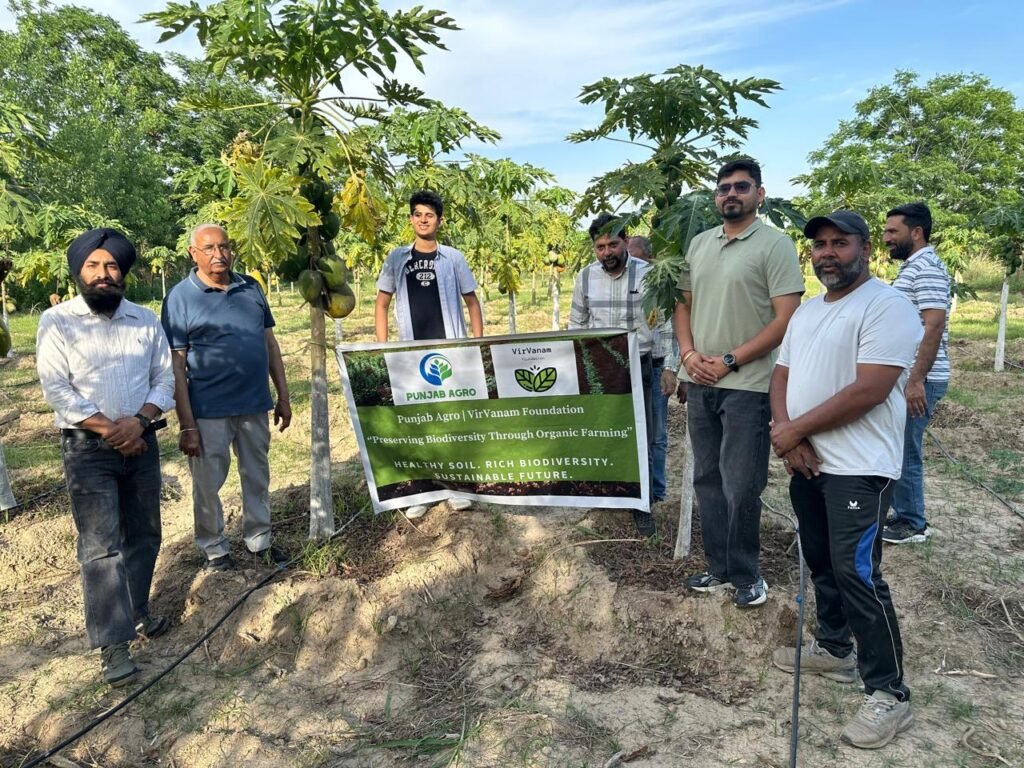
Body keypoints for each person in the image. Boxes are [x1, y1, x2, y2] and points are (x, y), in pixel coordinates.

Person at [769, 210, 922, 749]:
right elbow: (782, 375)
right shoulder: (809, 312)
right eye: (820, 245)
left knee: (858, 573)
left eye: (840, 242)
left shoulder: (888, 307)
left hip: (859, 467)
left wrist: (794, 433)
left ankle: (890, 694)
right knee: (820, 562)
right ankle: (835, 650)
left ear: (864, 249)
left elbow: (870, 389)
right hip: (808, 461)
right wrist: (787, 433)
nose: (827, 253)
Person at [36, 228, 175, 687]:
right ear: (78, 272)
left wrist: (139, 422)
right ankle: (114, 646)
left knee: (146, 533)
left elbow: (165, 379)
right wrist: (113, 430)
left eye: (112, 266)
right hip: (88, 450)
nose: (104, 274)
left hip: (142, 442)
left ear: (123, 273)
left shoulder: (145, 319)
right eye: (94, 266)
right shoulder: (57, 321)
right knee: (100, 547)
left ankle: (136, 612)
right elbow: (58, 390)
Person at [673, 158, 804, 607]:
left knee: (741, 481)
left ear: (759, 194)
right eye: (724, 188)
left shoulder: (775, 245)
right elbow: (683, 306)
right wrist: (689, 355)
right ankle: (718, 567)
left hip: (748, 383)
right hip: (700, 378)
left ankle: (748, 574)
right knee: (707, 478)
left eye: (741, 187)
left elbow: (785, 319)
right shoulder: (699, 243)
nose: (731, 194)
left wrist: (730, 360)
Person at [161, 224, 291, 572]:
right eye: (208, 249)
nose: (218, 255)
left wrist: (283, 396)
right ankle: (215, 547)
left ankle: (259, 539)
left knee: (257, 476)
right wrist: (186, 424)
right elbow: (177, 365)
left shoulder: (251, 288)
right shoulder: (180, 298)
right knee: (208, 484)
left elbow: (270, 345)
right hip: (208, 411)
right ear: (193, 253)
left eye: (224, 247)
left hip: (254, 404)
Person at [375, 189, 483, 519]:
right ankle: (421, 491)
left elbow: (472, 302)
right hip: (411, 353)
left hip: (451, 350)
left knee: (452, 419)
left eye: (430, 215)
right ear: (411, 219)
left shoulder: (453, 258)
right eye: (418, 214)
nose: (423, 220)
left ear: (439, 221)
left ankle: (457, 487)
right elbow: (381, 303)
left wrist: (477, 345)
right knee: (417, 421)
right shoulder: (396, 259)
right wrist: (383, 348)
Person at [570, 214, 658, 535]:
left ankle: (642, 505)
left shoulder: (648, 275)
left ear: (626, 241)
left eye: (613, 244)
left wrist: (670, 367)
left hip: (640, 366)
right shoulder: (585, 278)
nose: (607, 252)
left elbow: (664, 322)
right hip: (602, 369)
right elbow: (577, 325)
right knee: (604, 433)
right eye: (600, 246)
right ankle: (606, 496)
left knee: (642, 438)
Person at [881, 202, 950, 544]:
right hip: (909, 377)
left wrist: (916, 380)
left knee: (906, 448)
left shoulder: (927, 269)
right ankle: (904, 512)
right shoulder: (915, 266)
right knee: (900, 445)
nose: (886, 238)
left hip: (920, 377)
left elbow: (934, 325)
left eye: (893, 231)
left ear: (916, 232)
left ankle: (912, 522)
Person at [627, 235, 678, 502]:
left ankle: (656, 491)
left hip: (656, 365)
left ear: (648, 257)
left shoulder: (658, 281)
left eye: (635, 255)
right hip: (628, 365)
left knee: (656, 435)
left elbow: (670, 327)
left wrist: (671, 367)